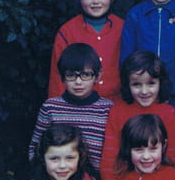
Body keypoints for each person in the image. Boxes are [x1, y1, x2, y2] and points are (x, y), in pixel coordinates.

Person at [99, 51, 175, 180]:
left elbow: (173, 157)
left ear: (160, 83)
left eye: (151, 83)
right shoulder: (117, 112)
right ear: (127, 84)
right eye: (137, 84)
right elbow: (110, 157)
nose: (144, 91)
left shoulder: (168, 113)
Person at [29, 43, 113, 171]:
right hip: (56, 177)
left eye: (86, 75)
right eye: (71, 75)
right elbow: (36, 147)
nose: (78, 82)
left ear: (98, 75)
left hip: (95, 179)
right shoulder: (50, 108)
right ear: (62, 77)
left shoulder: (108, 110)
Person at [48, 0, 124, 99]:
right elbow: (57, 76)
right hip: (79, 104)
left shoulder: (124, 27)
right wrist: (57, 106)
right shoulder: (67, 31)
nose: (96, 1)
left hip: (118, 103)